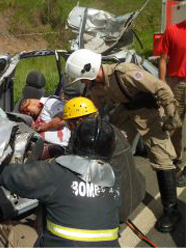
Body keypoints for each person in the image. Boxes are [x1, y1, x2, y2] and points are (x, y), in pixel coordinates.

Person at [65, 49, 182, 233]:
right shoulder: (95, 86)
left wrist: (170, 114)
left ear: (89, 70)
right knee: (111, 146)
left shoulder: (124, 72)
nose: (82, 83)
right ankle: (113, 194)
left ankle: (172, 210)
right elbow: (92, 108)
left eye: (82, 79)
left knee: (162, 159)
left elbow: (160, 87)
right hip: (125, 113)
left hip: (148, 112)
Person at [0, 118, 120, 247]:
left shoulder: (57, 172)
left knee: (13, 230)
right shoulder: (113, 180)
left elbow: (14, 177)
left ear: (74, 142)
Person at [63, 97, 145, 223]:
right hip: (137, 191)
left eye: (69, 125)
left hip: (119, 208)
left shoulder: (88, 138)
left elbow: (67, 166)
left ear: (79, 121)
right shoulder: (109, 128)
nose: (69, 128)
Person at [158, 20, 186, 187]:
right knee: (174, 126)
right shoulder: (173, 30)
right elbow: (163, 60)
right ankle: (177, 163)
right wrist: (162, 86)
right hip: (177, 84)